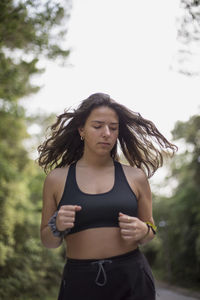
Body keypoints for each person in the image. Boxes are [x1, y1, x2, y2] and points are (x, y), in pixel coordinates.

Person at [38, 93, 177, 300]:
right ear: (81, 130)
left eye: (113, 127)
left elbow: (152, 229)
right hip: (79, 282)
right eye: (98, 126)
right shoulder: (57, 179)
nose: (107, 133)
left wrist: (144, 230)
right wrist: (56, 225)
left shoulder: (135, 177)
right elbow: (47, 241)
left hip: (131, 278)